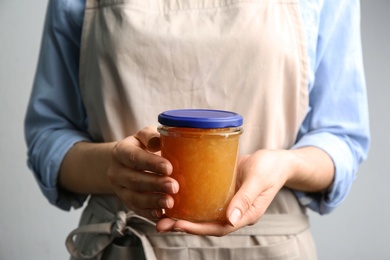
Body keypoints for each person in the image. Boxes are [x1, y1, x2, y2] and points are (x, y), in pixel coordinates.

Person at [24, 0, 370, 259]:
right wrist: (112, 166)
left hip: (269, 248)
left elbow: (341, 138)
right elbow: (48, 135)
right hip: (124, 246)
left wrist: (285, 165)